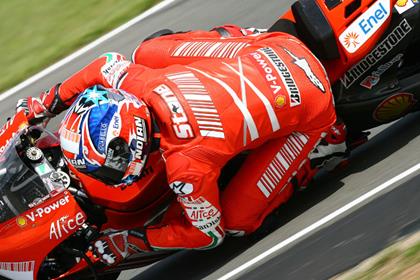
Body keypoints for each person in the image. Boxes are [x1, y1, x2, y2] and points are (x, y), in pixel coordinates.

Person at [16, 25, 345, 265]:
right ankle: (228, 32)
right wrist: (46, 103)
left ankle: (317, 152)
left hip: (314, 103)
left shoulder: (186, 169)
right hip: (274, 45)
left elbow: (207, 234)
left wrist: (129, 241)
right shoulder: (142, 85)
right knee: (146, 51)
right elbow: (104, 65)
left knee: (235, 221)